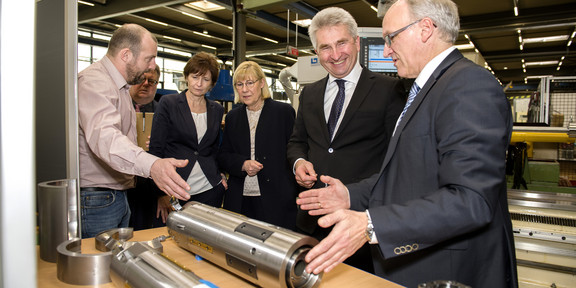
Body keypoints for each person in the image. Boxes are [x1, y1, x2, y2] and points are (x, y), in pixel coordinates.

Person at [298, 0, 518, 287]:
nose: (386, 49)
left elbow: (470, 200)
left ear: (425, 29)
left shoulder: (467, 86)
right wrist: (350, 196)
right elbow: (408, 175)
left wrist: (370, 225)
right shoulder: (427, 88)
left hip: (452, 271)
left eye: (391, 37)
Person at [286, 7, 405, 272]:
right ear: (316, 52)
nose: (335, 54)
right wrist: (299, 163)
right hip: (312, 222)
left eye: (341, 43)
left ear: (356, 42)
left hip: (360, 223)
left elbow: (397, 159)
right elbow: (297, 142)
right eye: (325, 47)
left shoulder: (390, 90)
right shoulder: (310, 94)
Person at [78, 23, 191, 238]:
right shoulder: (95, 82)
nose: (152, 65)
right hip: (97, 198)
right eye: (148, 58)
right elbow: (106, 139)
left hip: (117, 194)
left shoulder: (119, 87)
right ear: (126, 55)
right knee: (98, 267)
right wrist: (152, 165)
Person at [218, 61, 298, 230]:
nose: (245, 89)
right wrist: (242, 164)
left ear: (262, 83)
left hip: (276, 198)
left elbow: (295, 150)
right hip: (241, 198)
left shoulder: (283, 113)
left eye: (250, 83)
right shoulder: (232, 118)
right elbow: (223, 156)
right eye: (239, 84)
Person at [149, 52, 227, 221]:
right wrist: (160, 193)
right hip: (174, 188)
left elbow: (214, 149)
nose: (199, 84)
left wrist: (220, 174)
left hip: (209, 189)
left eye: (205, 79)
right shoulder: (168, 103)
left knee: (205, 241)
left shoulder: (216, 109)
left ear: (212, 84)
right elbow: (156, 149)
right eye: (195, 77)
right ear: (186, 77)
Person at [127, 64, 162, 230]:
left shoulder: (164, 112)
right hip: (121, 185)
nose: (146, 84)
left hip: (150, 189)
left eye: (152, 81)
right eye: (141, 79)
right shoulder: (118, 106)